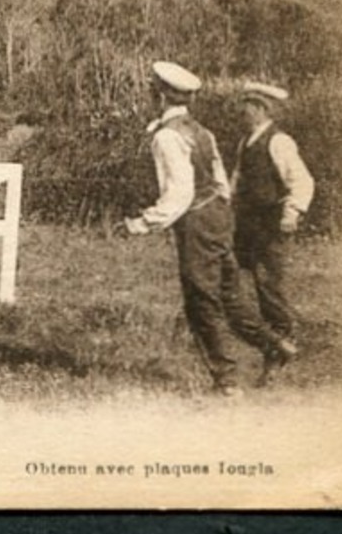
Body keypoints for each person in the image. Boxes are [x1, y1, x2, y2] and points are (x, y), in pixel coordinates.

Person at [120, 61, 296, 396]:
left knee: (201, 300)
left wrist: (141, 223)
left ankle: (226, 381)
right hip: (217, 215)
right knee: (230, 294)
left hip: (197, 220)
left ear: (159, 96)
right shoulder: (202, 131)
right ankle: (275, 345)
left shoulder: (167, 137)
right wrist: (219, 215)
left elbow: (179, 193)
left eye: (151, 91)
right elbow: (220, 182)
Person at [231, 81, 315, 375]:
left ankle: (282, 346)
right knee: (232, 281)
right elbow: (237, 180)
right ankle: (269, 342)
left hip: (270, 225)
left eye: (247, 106)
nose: (241, 111)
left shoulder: (279, 141)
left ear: (260, 109)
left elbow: (302, 181)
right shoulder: (246, 142)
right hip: (246, 224)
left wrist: (291, 213)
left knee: (269, 287)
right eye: (243, 105)